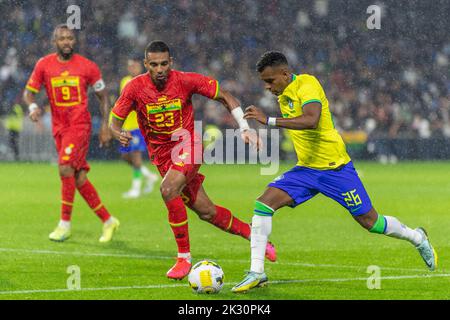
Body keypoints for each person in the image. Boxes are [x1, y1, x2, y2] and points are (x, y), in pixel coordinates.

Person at [231, 51, 438, 293]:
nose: (267, 87)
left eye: (270, 81)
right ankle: (257, 272)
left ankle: (417, 238)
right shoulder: (283, 93)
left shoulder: (307, 84)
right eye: (264, 82)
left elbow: (311, 120)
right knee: (263, 205)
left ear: (285, 74)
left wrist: (269, 121)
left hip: (335, 169)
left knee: (371, 222)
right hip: (306, 170)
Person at [110, 41, 276, 280]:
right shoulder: (135, 87)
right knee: (207, 212)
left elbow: (225, 96)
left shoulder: (185, 80)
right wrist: (117, 133)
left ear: (171, 63)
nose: (159, 69)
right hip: (163, 158)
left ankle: (183, 258)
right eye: (154, 64)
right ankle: (254, 235)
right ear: (146, 64)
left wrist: (244, 127)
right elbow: (115, 120)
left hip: (188, 145)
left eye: (164, 64)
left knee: (168, 190)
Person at [23, 24, 120, 243]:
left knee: (65, 167)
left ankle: (64, 224)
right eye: (62, 38)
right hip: (59, 128)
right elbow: (29, 93)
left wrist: (105, 125)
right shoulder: (44, 65)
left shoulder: (87, 66)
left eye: (70, 38)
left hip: (79, 126)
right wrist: (32, 107)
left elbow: (103, 96)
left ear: (74, 41)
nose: (66, 42)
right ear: (54, 41)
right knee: (78, 177)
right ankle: (108, 220)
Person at [117, 56, 158, 199]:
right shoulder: (124, 81)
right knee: (125, 156)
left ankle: (135, 189)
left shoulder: (146, 81)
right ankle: (149, 176)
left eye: (134, 65)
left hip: (138, 126)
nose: (132, 68)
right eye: (130, 66)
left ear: (141, 66)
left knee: (136, 158)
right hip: (126, 126)